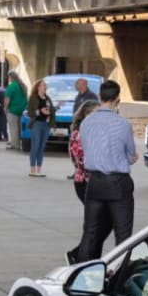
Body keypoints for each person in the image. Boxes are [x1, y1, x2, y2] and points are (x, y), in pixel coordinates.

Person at [76, 80, 138, 262]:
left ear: (99, 96)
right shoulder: (123, 124)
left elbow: (87, 149)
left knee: (90, 233)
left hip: (95, 181)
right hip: (118, 182)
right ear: (118, 98)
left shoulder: (86, 123)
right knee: (123, 235)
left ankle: (80, 275)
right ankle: (120, 274)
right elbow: (130, 154)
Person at [65, 100, 101, 264]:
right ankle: (81, 257)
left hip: (95, 182)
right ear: (84, 115)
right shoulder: (79, 134)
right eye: (93, 113)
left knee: (99, 223)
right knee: (95, 225)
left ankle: (86, 256)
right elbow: (83, 161)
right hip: (85, 183)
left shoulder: (95, 134)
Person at [26, 79, 54, 177]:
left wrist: (54, 109)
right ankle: (32, 169)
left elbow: (51, 110)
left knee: (41, 148)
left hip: (46, 124)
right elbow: (30, 112)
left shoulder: (47, 98)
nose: (45, 87)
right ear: (38, 87)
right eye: (43, 85)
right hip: (36, 124)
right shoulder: (33, 98)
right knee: (35, 146)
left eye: (46, 85)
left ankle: (39, 170)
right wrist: (40, 111)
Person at [3, 71, 27, 150]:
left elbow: (7, 98)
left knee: (13, 128)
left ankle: (15, 145)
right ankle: (20, 143)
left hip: (13, 109)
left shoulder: (12, 86)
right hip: (22, 109)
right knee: (20, 128)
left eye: (9, 77)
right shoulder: (23, 85)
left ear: (11, 77)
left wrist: (5, 107)